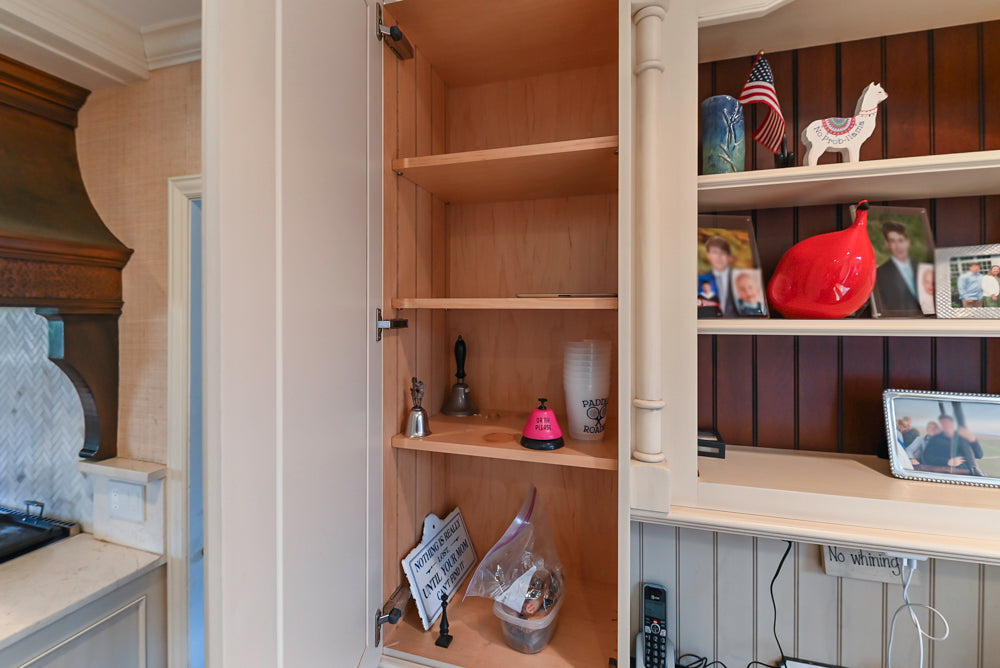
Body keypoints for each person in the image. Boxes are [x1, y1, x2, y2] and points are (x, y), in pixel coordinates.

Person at [874, 220, 922, 315]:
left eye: (900, 240)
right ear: (887, 243)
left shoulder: (921, 269)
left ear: (907, 242)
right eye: (892, 241)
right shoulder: (879, 274)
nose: (898, 246)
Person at [704, 236, 737, 317]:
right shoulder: (701, 280)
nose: (719, 256)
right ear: (708, 255)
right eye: (715, 252)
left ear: (729, 257)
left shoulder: (740, 278)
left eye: (723, 252)